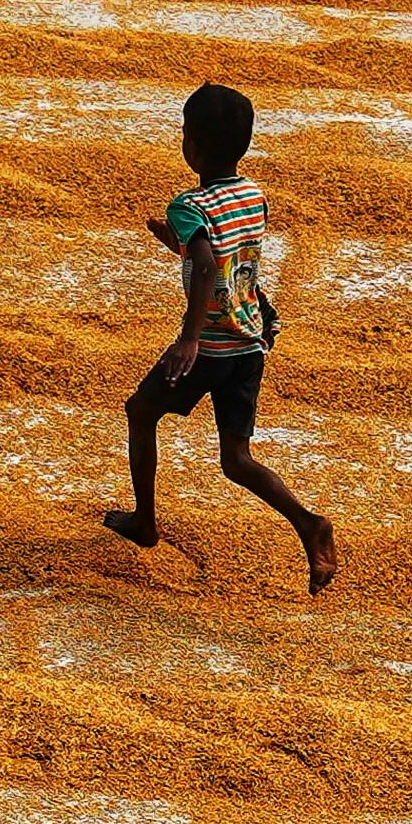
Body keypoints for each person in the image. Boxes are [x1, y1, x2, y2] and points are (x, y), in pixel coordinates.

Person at [105, 80, 338, 594]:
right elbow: (236, 258)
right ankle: (309, 524)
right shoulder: (253, 195)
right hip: (248, 343)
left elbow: (210, 266)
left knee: (141, 411)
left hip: (208, 347)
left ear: (190, 145)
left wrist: (188, 338)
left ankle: (144, 521)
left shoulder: (188, 206)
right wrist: (181, 247)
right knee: (236, 459)